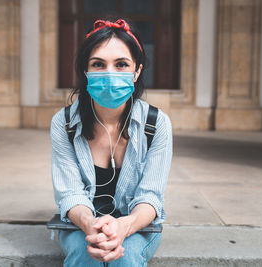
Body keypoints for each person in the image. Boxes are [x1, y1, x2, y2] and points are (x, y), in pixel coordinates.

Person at [50, 18, 173, 266]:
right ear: (85, 71)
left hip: (137, 225)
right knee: (86, 255)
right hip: (80, 224)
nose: (109, 73)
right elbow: (70, 193)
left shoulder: (157, 124)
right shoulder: (63, 124)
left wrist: (123, 226)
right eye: (98, 64)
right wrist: (91, 225)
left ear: (137, 71)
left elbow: (150, 196)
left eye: (121, 64)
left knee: (123, 259)